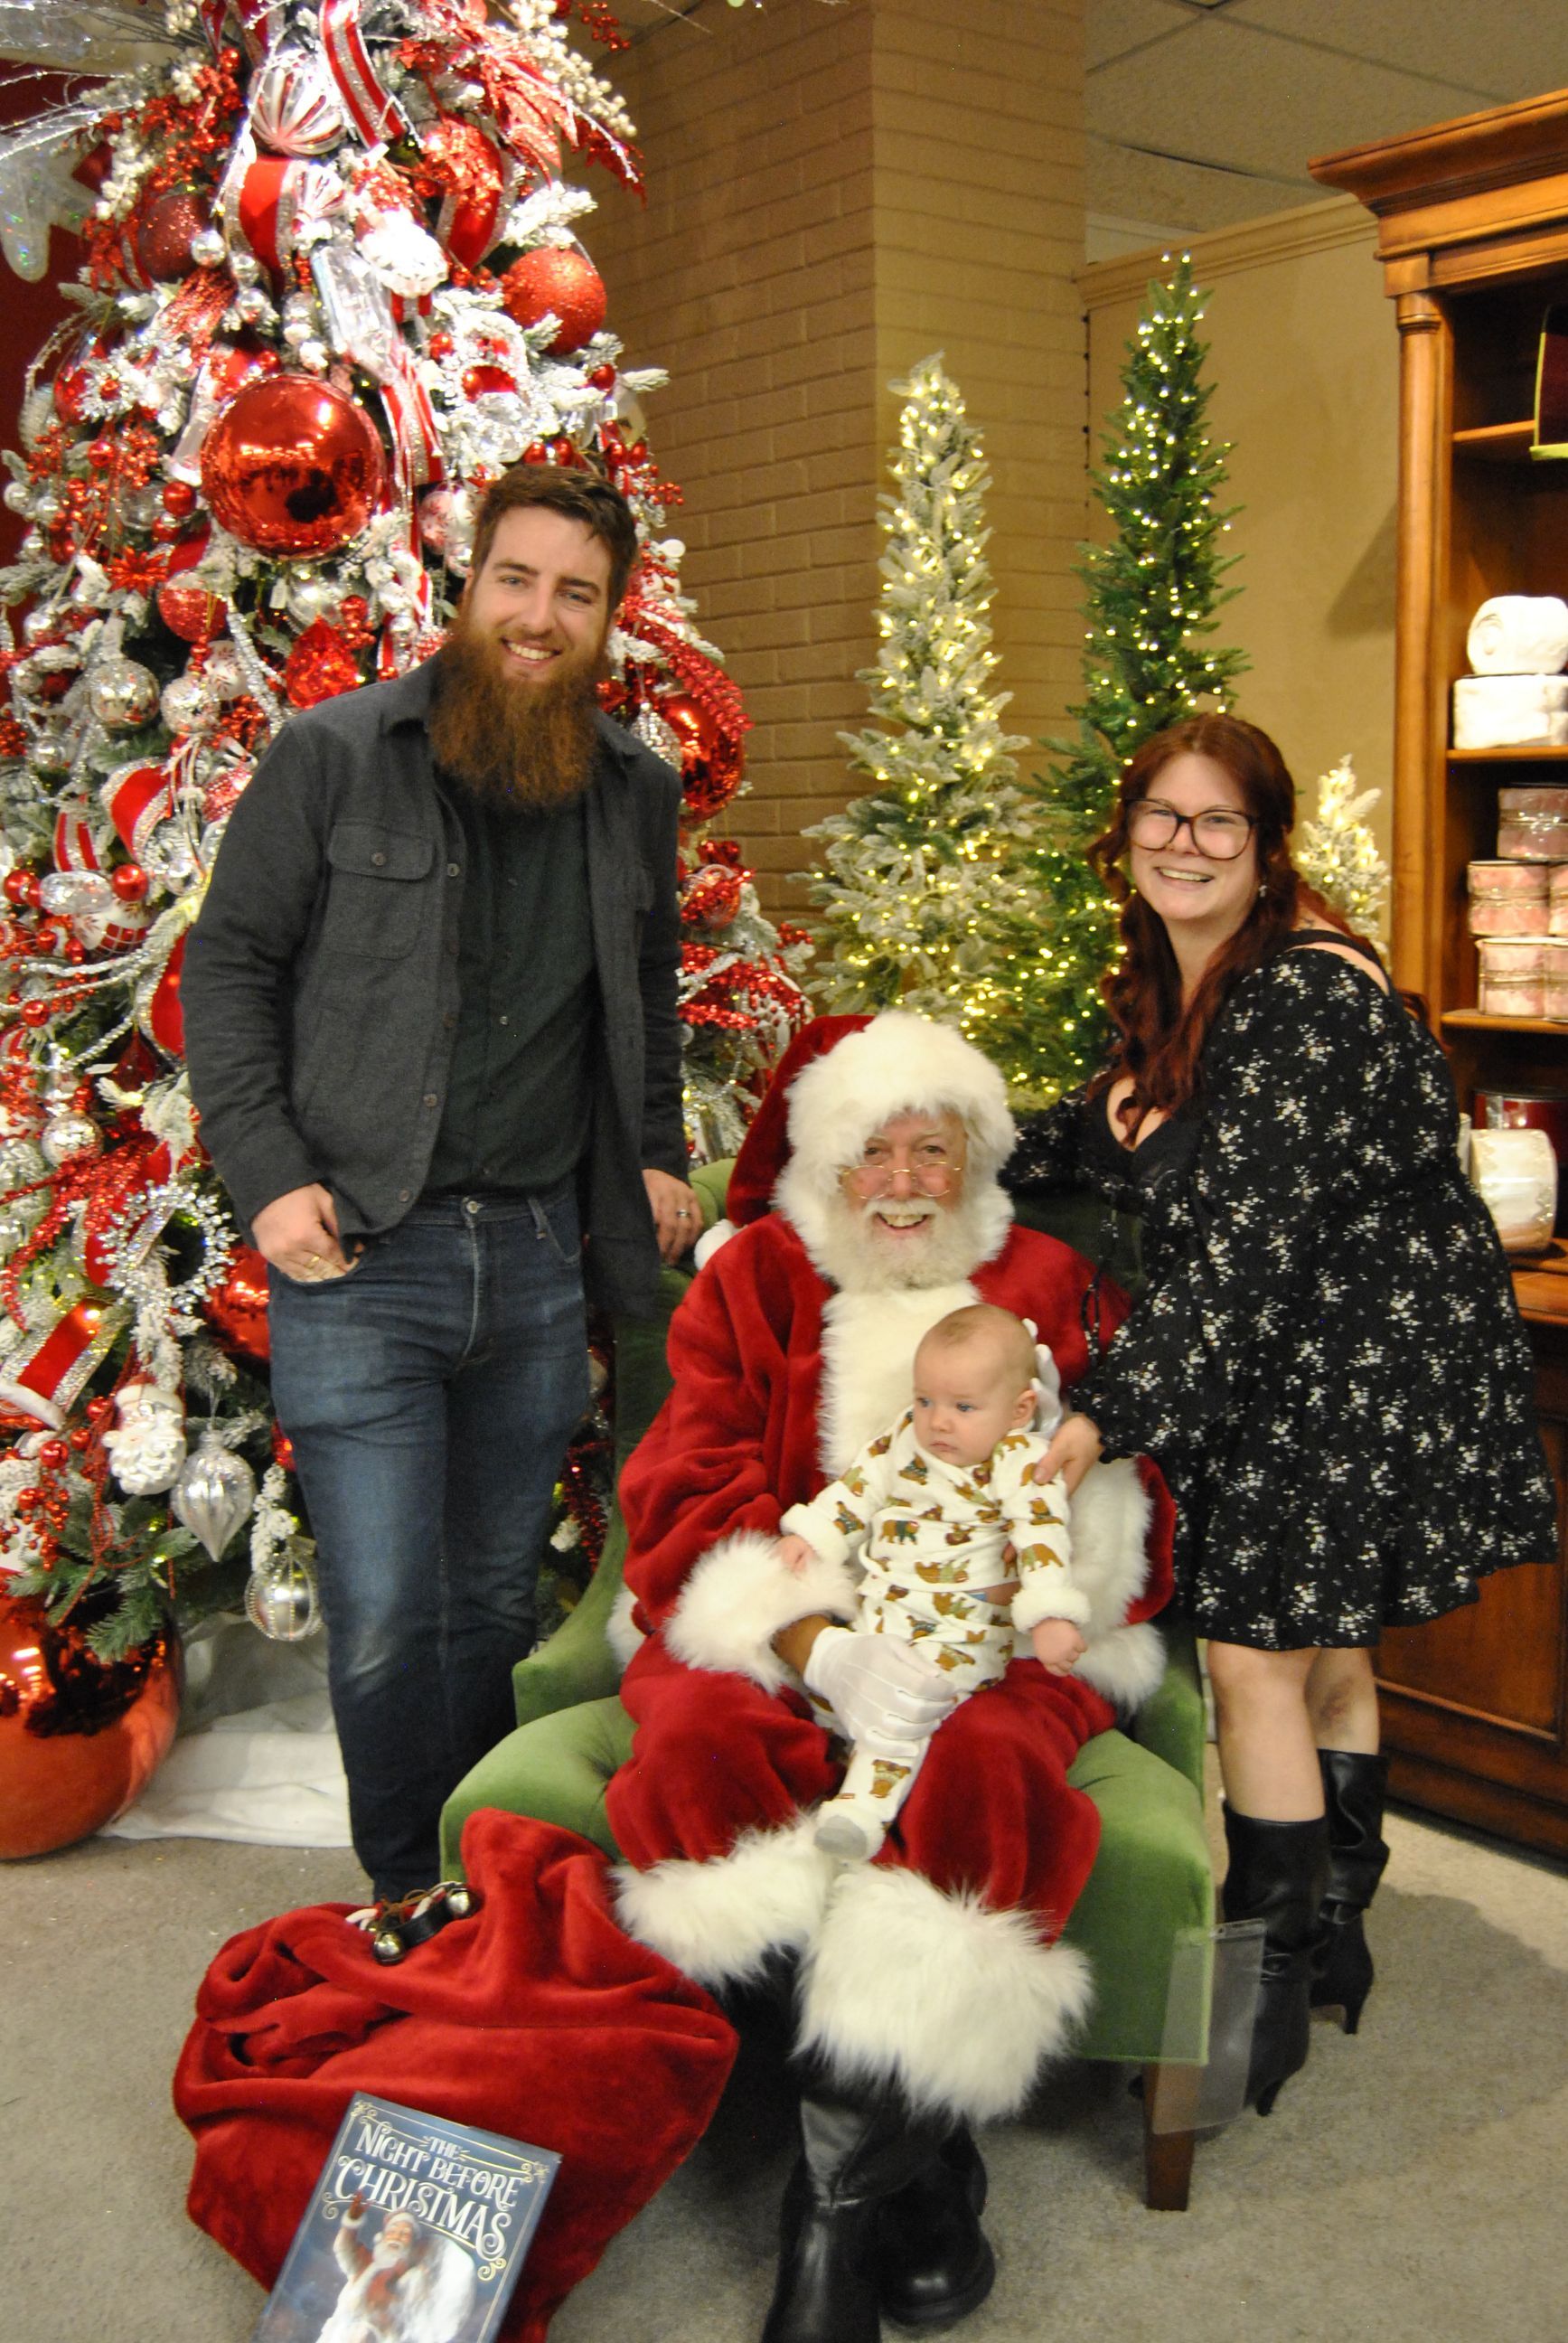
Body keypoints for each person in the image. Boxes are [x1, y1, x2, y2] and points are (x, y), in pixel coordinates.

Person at [1006, 710, 1556, 2113]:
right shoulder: (1179, 980)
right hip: (1306, 1343)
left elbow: (1242, 1254)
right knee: (1324, 1654)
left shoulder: (1300, 998)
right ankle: (1334, 1935)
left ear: (1264, 847)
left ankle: (1258, 1999)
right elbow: (1096, 1129)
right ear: (1125, 830)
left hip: (1352, 1360)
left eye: (1217, 822)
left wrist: (1101, 1417)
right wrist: (936, 1143)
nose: (1182, 845)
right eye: (1160, 815)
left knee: (1256, 1661)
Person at [605, 1010, 1174, 2343]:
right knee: (696, 1745)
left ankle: (833, 2213)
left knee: (984, 1764)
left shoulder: (1048, 1278)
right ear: (826, 1160)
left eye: (935, 1149)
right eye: (876, 1152)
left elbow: (1118, 1487)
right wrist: (815, 1644)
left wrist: (1012, 1617)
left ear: (975, 1157)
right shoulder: (756, 1277)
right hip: (788, 1628)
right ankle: (923, 2165)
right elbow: (688, 1484)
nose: (906, 1181)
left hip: (998, 1639)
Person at [183, 463, 699, 1911]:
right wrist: (268, 1177)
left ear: (609, 618)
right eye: (515, 580)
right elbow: (227, 968)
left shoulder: (632, 790)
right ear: (467, 586)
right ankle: (408, 1889)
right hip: (360, 1258)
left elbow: (644, 994)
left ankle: (485, 1878)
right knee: (383, 1616)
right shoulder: (335, 755)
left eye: (575, 594)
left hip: (534, 1255)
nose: (539, 617)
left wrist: (653, 1147)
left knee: (488, 1599)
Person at [776, 1302, 1086, 1860]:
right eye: (925, 1401)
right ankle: (836, 1749)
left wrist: (1049, 1614)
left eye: (963, 1407)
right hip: (885, 1606)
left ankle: (860, 1813)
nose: (938, 1421)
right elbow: (859, 1488)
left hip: (959, 1632)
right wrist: (814, 1534)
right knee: (842, 1688)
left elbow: (1041, 1534)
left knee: (905, 1708)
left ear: (1019, 1410)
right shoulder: (905, 1436)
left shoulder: (1021, 1461)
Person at [319, 2197, 475, 2343]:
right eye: (392, 2231)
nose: (397, 2237)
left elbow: (417, 2319)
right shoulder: (366, 2262)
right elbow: (343, 2249)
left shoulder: (415, 2278)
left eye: (404, 2234)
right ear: (384, 2236)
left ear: (412, 2242)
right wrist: (351, 2223)